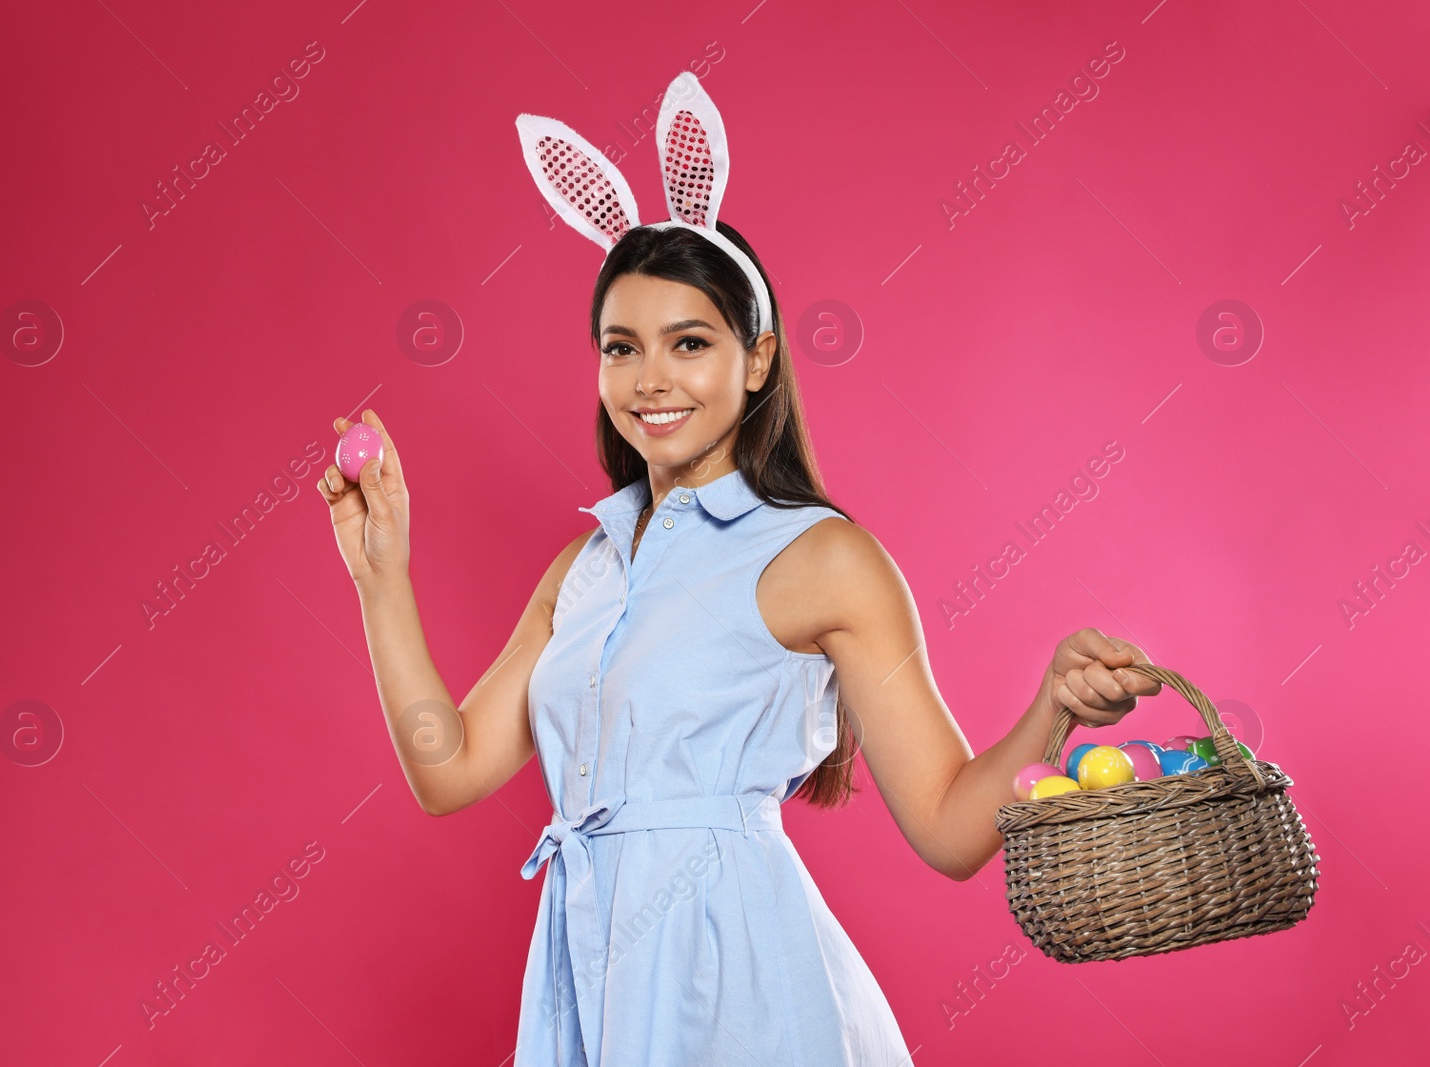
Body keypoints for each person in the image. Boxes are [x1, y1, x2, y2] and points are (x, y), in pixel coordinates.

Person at [317, 73, 1162, 1067]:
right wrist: (381, 578)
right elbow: (446, 768)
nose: (650, 380)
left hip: (740, 986)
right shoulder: (586, 564)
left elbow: (946, 827)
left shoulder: (824, 558)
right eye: (620, 347)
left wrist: (1049, 708)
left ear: (755, 358)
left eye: (689, 342)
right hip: (589, 972)